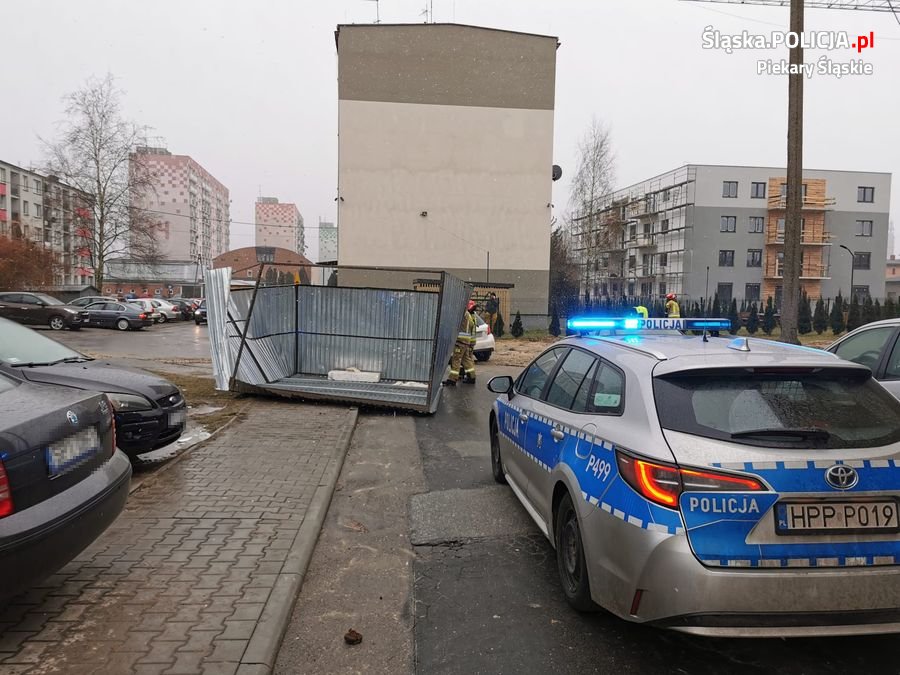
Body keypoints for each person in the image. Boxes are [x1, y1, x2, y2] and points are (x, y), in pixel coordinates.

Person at [444, 300, 478, 386]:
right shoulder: (468, 315)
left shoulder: (461, 314)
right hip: (466, 341)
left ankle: (452, 379)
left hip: (460, 341)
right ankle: (472, 377)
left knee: (456, 359)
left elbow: (453, 325)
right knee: (466, 359)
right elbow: (471, 325)